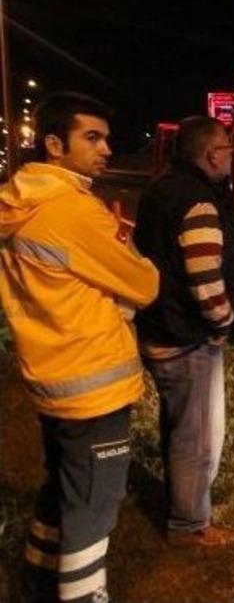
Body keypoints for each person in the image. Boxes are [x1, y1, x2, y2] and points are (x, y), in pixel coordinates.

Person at [0, 93, 160, 602]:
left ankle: (37, 579)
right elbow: (144, 284)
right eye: (92, 137)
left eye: (106, 138)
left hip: (50, 376)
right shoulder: (73, 211)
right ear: (54, 144)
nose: (106, 149)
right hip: (93, 385)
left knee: (63, 485)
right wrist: (129, 260)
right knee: (93, 504)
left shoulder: (19, 203)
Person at [134, 115, 234, 547]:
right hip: (186, 338)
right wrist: (224, 321)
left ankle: (181, 506)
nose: (231, 157)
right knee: (197, 437)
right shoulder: (198, 202)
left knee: (178, 424)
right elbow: (205, 279)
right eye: (227, 149)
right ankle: (189, 524)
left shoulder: (159, 190)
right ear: (211, 155)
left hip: (157, 327)